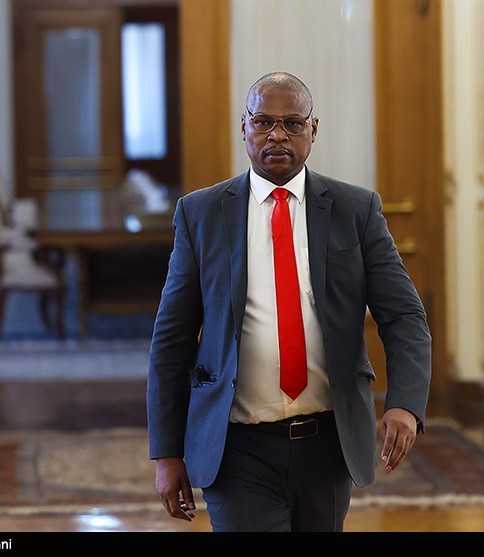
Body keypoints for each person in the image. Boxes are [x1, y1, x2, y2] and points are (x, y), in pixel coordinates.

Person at [147, 71, 431, 532]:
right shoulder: (201, 214)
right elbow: (172, 338)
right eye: (263, 122)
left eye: (293, 123)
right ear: (244, 127)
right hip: (237, 444)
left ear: (312, 130)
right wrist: (166, 451)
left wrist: (405, 404)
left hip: (328, 441)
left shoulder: (355, 211)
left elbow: (404, 316)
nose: (277, 135)